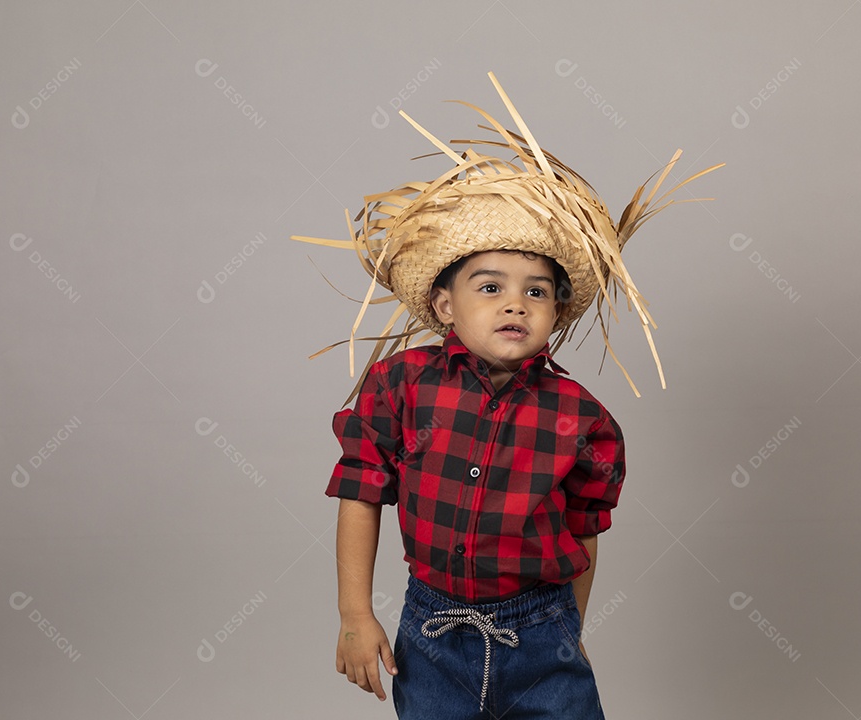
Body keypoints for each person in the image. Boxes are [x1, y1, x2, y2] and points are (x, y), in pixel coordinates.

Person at [292, 71, 723, 719]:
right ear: (445, 304)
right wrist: (355, 615)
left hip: (541, 632)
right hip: (432, 635)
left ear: (556, 312)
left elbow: (583, 533)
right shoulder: (400, 386)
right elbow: (361, 494)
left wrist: (569, 633)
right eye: (490, 287)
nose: (515, 303)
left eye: (536, 291)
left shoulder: (581, 418)